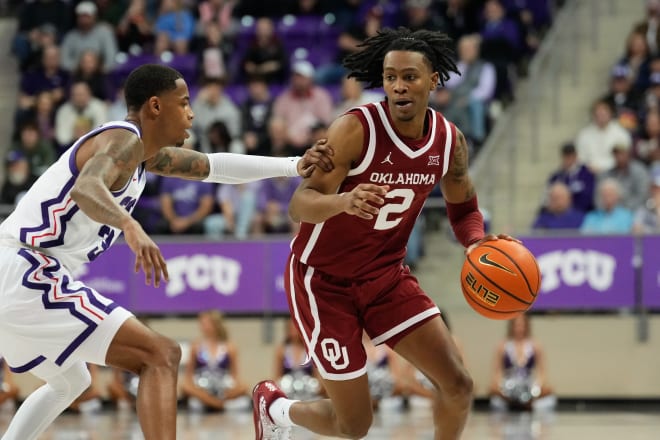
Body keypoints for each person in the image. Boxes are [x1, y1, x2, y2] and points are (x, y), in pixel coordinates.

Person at [0, 63, 333, 440]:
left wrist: (293, 165)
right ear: (155, 107)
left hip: (16, 274)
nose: (192, 113)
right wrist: (131, 225)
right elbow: (86, 188)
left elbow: (212, 166)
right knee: (160, 354)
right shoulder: (123, 140)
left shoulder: (141, 155)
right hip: (27, 272)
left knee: (71, 382)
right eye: (184, 102)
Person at [252, 27, 514, 440]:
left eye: (410, 76)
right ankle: (276, 408)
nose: (398, 86)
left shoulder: (449, 141)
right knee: (354, 425)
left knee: (458, 384)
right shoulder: (355, 129)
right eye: (391, 77)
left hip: (386, 277)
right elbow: (299, 203)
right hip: (323, 282)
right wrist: (343, 201)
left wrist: (476, 241)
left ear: (434, 81)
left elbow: (463, 208)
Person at [180, 310, 249, 412]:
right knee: (185, 387)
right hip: (202, 387)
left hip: (223, 387)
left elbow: (235, 377)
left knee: (244, 386)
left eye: (206, 323)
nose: (203, 326)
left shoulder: (230, 347)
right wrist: (197, 392)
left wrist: (232, 391)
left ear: (216, 324)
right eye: (201, 323)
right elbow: (188, 377)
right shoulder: (196, 346)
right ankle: (214, 403)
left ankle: (214, 403)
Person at [489, 314, 556, 412]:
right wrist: (502, 389)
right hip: (509, 385)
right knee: (495, 397)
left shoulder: (535, 345)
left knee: (549, 396)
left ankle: (525, 405)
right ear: (511, 326)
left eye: (522, 325)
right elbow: (497, 372)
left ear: (527, 326)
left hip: (528, 385)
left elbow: (542, 372)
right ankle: (514, 404)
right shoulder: (503, 346)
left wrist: (536, 389)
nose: (519, 328)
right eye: (517, 325)